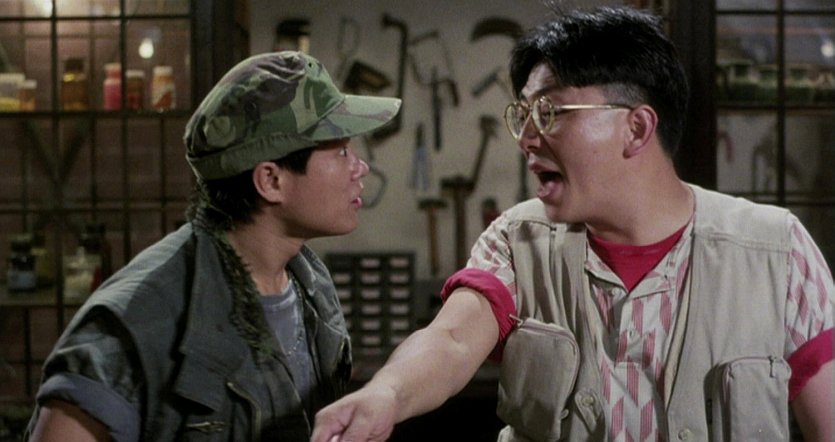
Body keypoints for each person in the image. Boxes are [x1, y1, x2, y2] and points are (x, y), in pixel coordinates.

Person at [312, 6, 833, 442]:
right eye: (523, 115)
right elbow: (451, 339)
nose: (527, 138)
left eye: (550, 113)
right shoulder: (517, 240)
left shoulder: (777, 250)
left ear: (636, 127)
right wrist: (387, 394)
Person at [25, 50, 401, 441]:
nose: (360, 168)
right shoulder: (139, 323)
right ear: (271, 180)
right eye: (341, 151)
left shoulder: (309, 283)